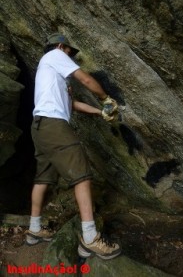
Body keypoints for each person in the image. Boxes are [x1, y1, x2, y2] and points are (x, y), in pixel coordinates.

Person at [25, 33, 121, 260]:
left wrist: (99, 112)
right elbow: (86, 80)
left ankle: (34, 229)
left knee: (43, 178)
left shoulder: (51, 77)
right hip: (53, 125)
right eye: (70, 51)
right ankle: (90, 238)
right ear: (60, 46)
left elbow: (72, 105)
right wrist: (106, 99)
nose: (70, 56)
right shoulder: (55, 55)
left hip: (40, 126)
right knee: (82, 174)